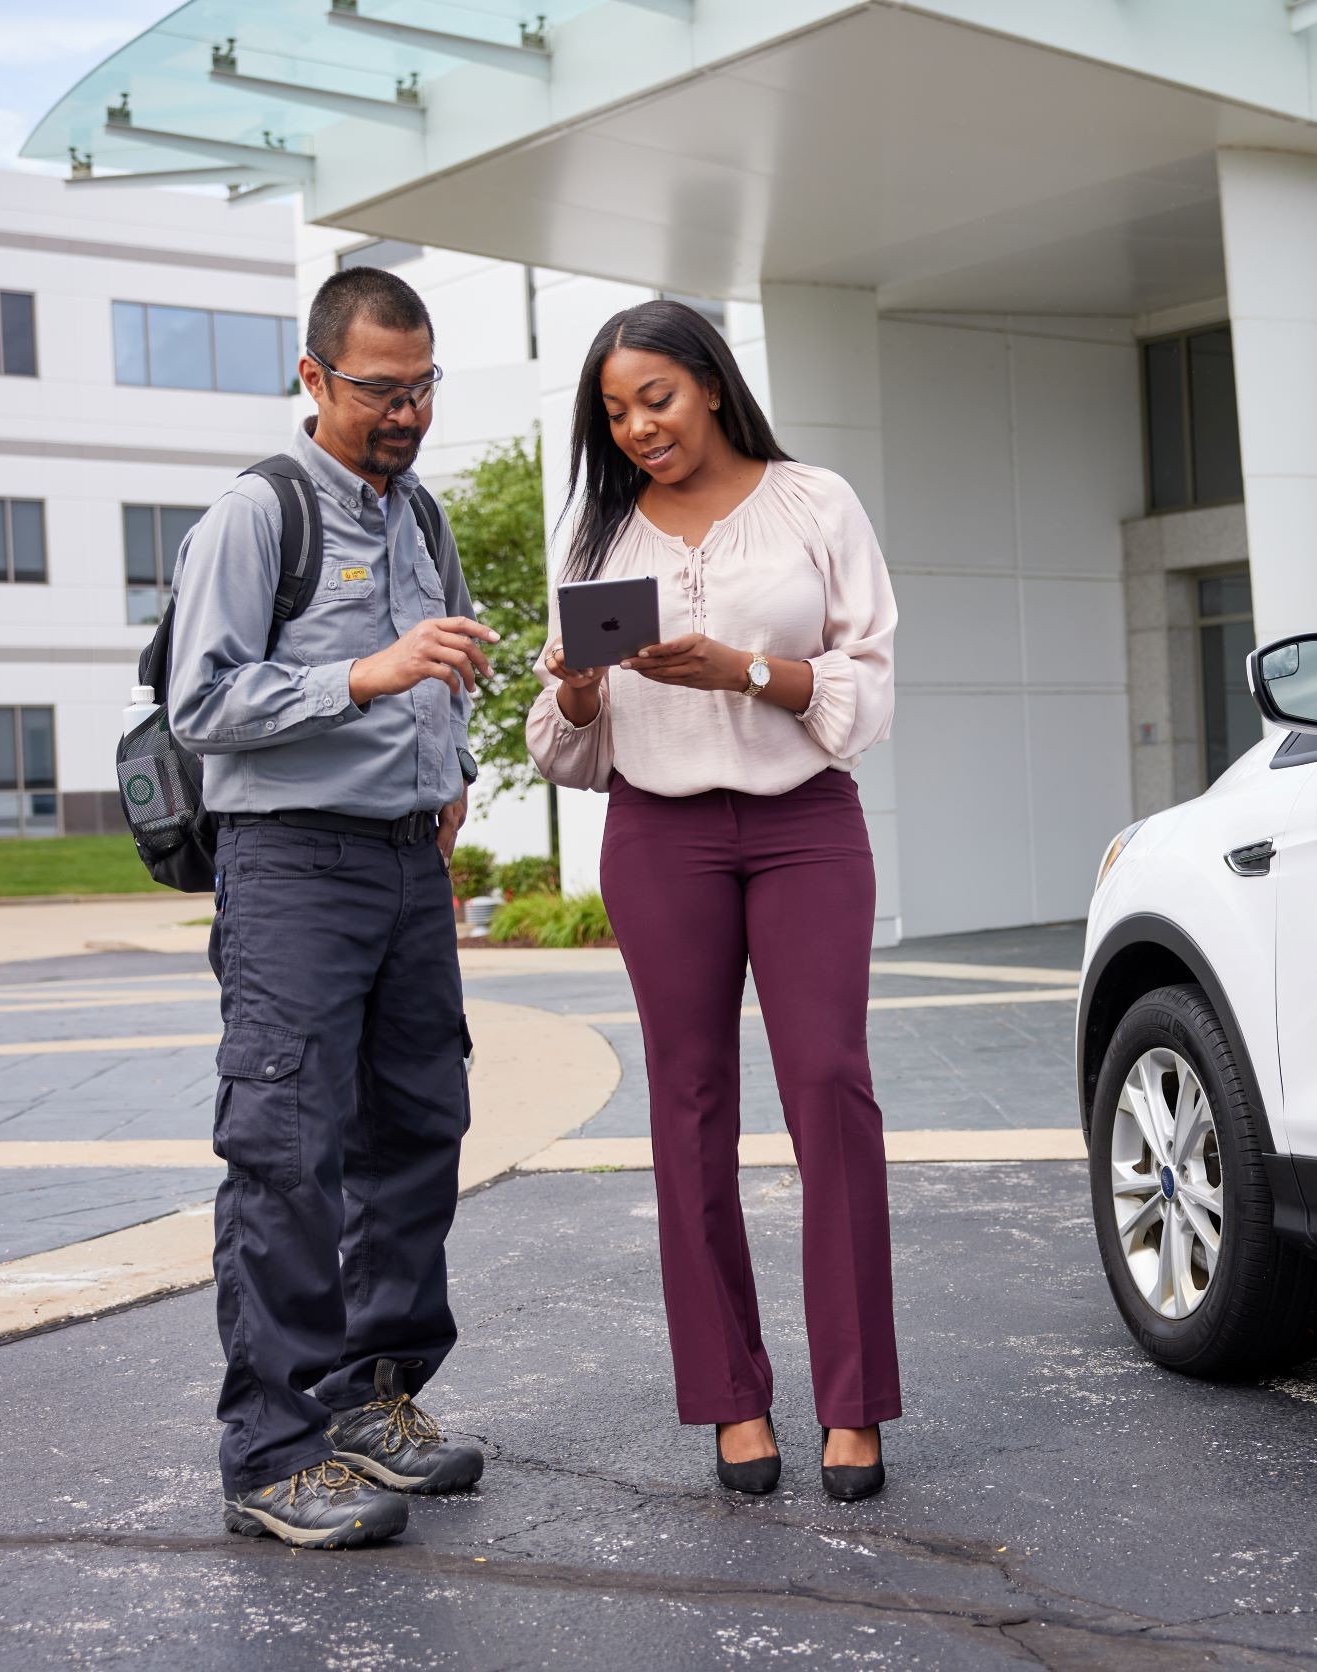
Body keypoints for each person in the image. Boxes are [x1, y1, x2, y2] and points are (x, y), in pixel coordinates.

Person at [527, 300, 901, 1501]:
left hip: (804, 828)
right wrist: (579, 691)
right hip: (657, 834)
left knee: (828, 1089)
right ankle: (731, 1397)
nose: (637, 428)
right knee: (688, 1107)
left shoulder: (813, 503)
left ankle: (853, 1401)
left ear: (711, 385)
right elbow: (566, 746)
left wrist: (741, 670)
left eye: (656, 398)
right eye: (614, 412)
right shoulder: (596, 534)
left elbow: (866, 684)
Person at [168, 266, 499, 1548]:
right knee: (288, 1152)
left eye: (422, 386)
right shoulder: (259, 514)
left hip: (407, 865)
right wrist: (366, 675)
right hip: (293, 868)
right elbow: (203, 705)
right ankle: (271, 1451)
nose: (407, 412)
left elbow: (436, 671)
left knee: (418, 1126)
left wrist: (448, 766)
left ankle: (371, 1396)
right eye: (380, 389)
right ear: (313, 376)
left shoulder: (420, 517)